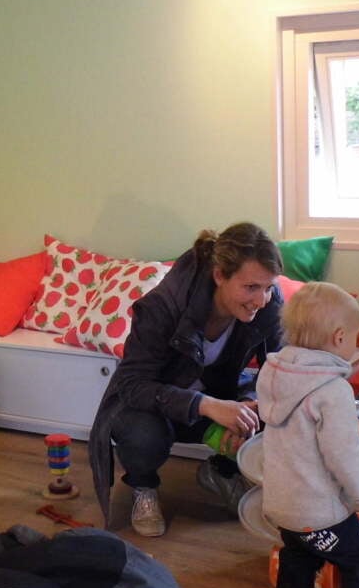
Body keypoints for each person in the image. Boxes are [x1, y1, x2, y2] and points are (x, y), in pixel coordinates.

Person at [87, 223, 284, 538]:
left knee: (275, 411)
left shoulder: (268, 302)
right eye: (251, 288)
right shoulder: (163, 306)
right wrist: (207, 405)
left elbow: (280, 365)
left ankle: (221, 470)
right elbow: (134, 385)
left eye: (269, 287)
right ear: (220, 275)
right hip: (153, 403)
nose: (261, 299)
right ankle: (143, 485)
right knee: (142, 436)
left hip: (218, 392)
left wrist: (257, 406)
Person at [256, 282, 359, 588]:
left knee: (298, 553)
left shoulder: (272, 375)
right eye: (354, 340)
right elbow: (343, 454)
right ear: (339, 337)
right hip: (321, 510)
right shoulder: (332, 391)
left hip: (281, 503)